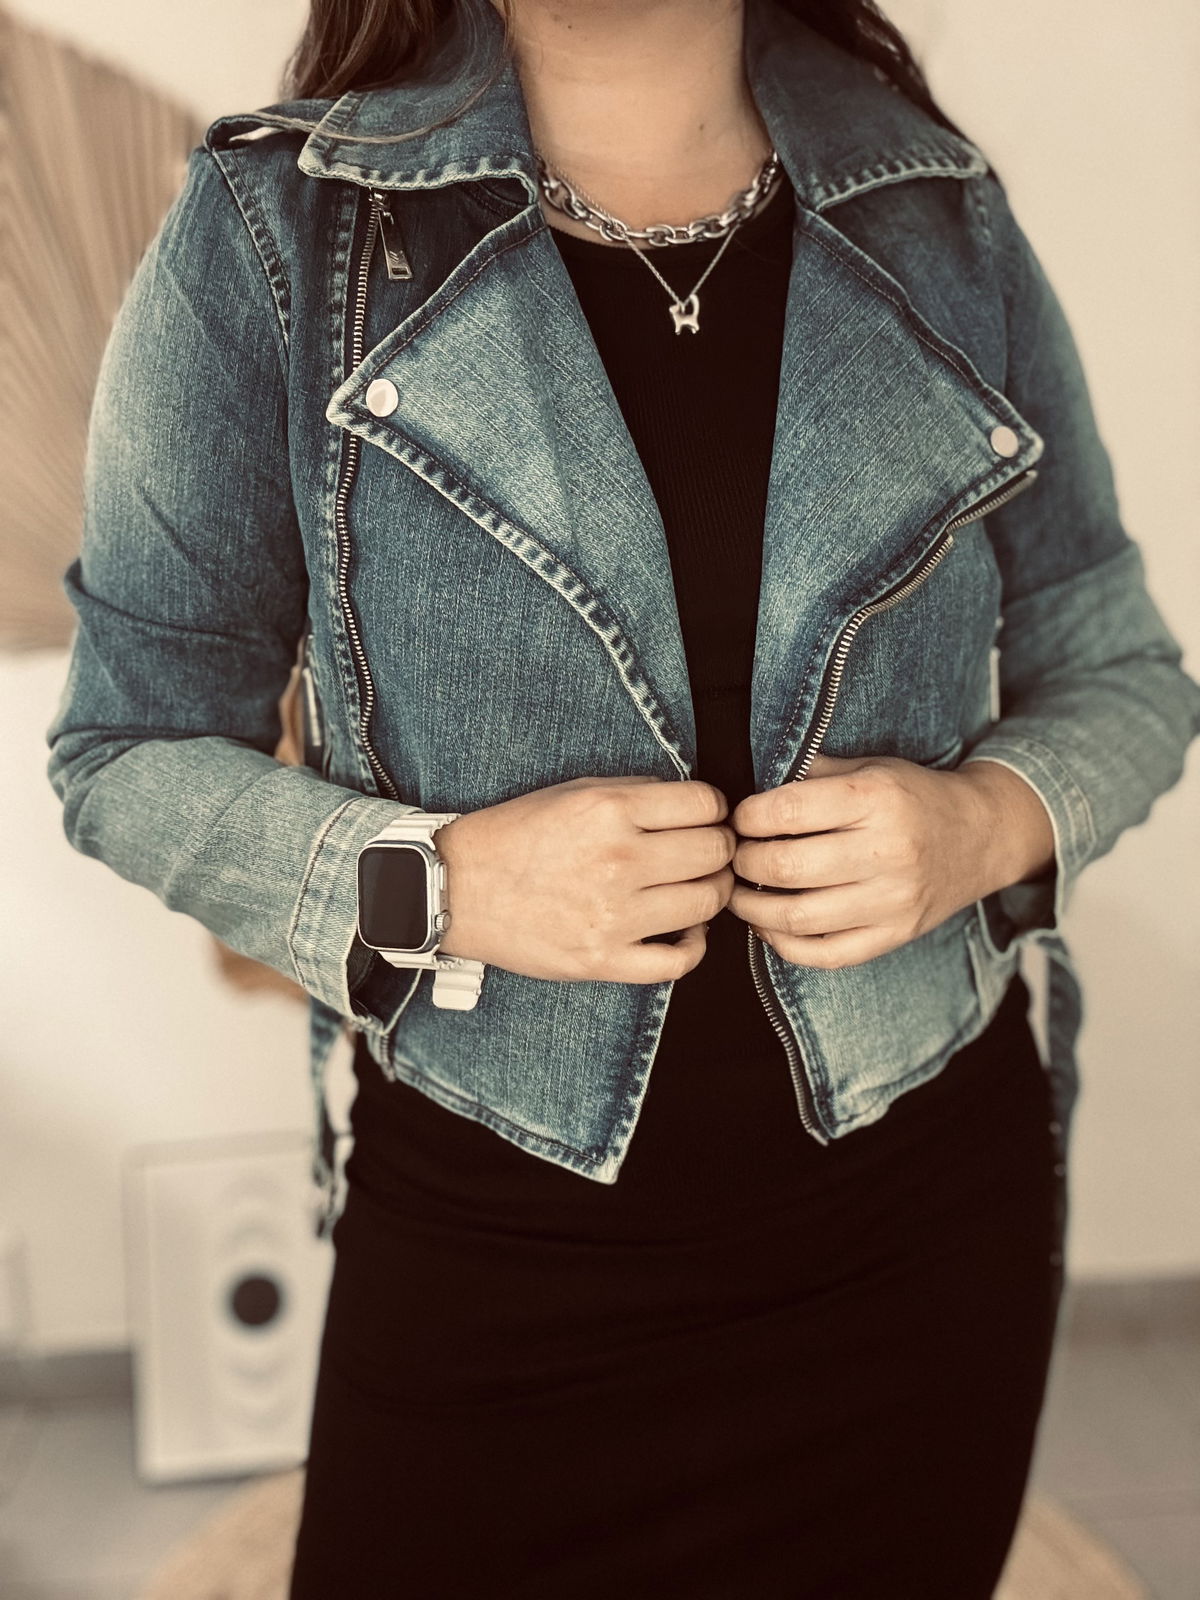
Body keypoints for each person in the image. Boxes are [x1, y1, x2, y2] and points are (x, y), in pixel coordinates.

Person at [45, 0, 1200, 1594]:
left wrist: (985, 827)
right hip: (493, 1258)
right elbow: (125, 747)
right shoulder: (278, 232)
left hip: (922, 1240)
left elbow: (1124, 668)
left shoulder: (938, 210)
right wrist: (441, 881)